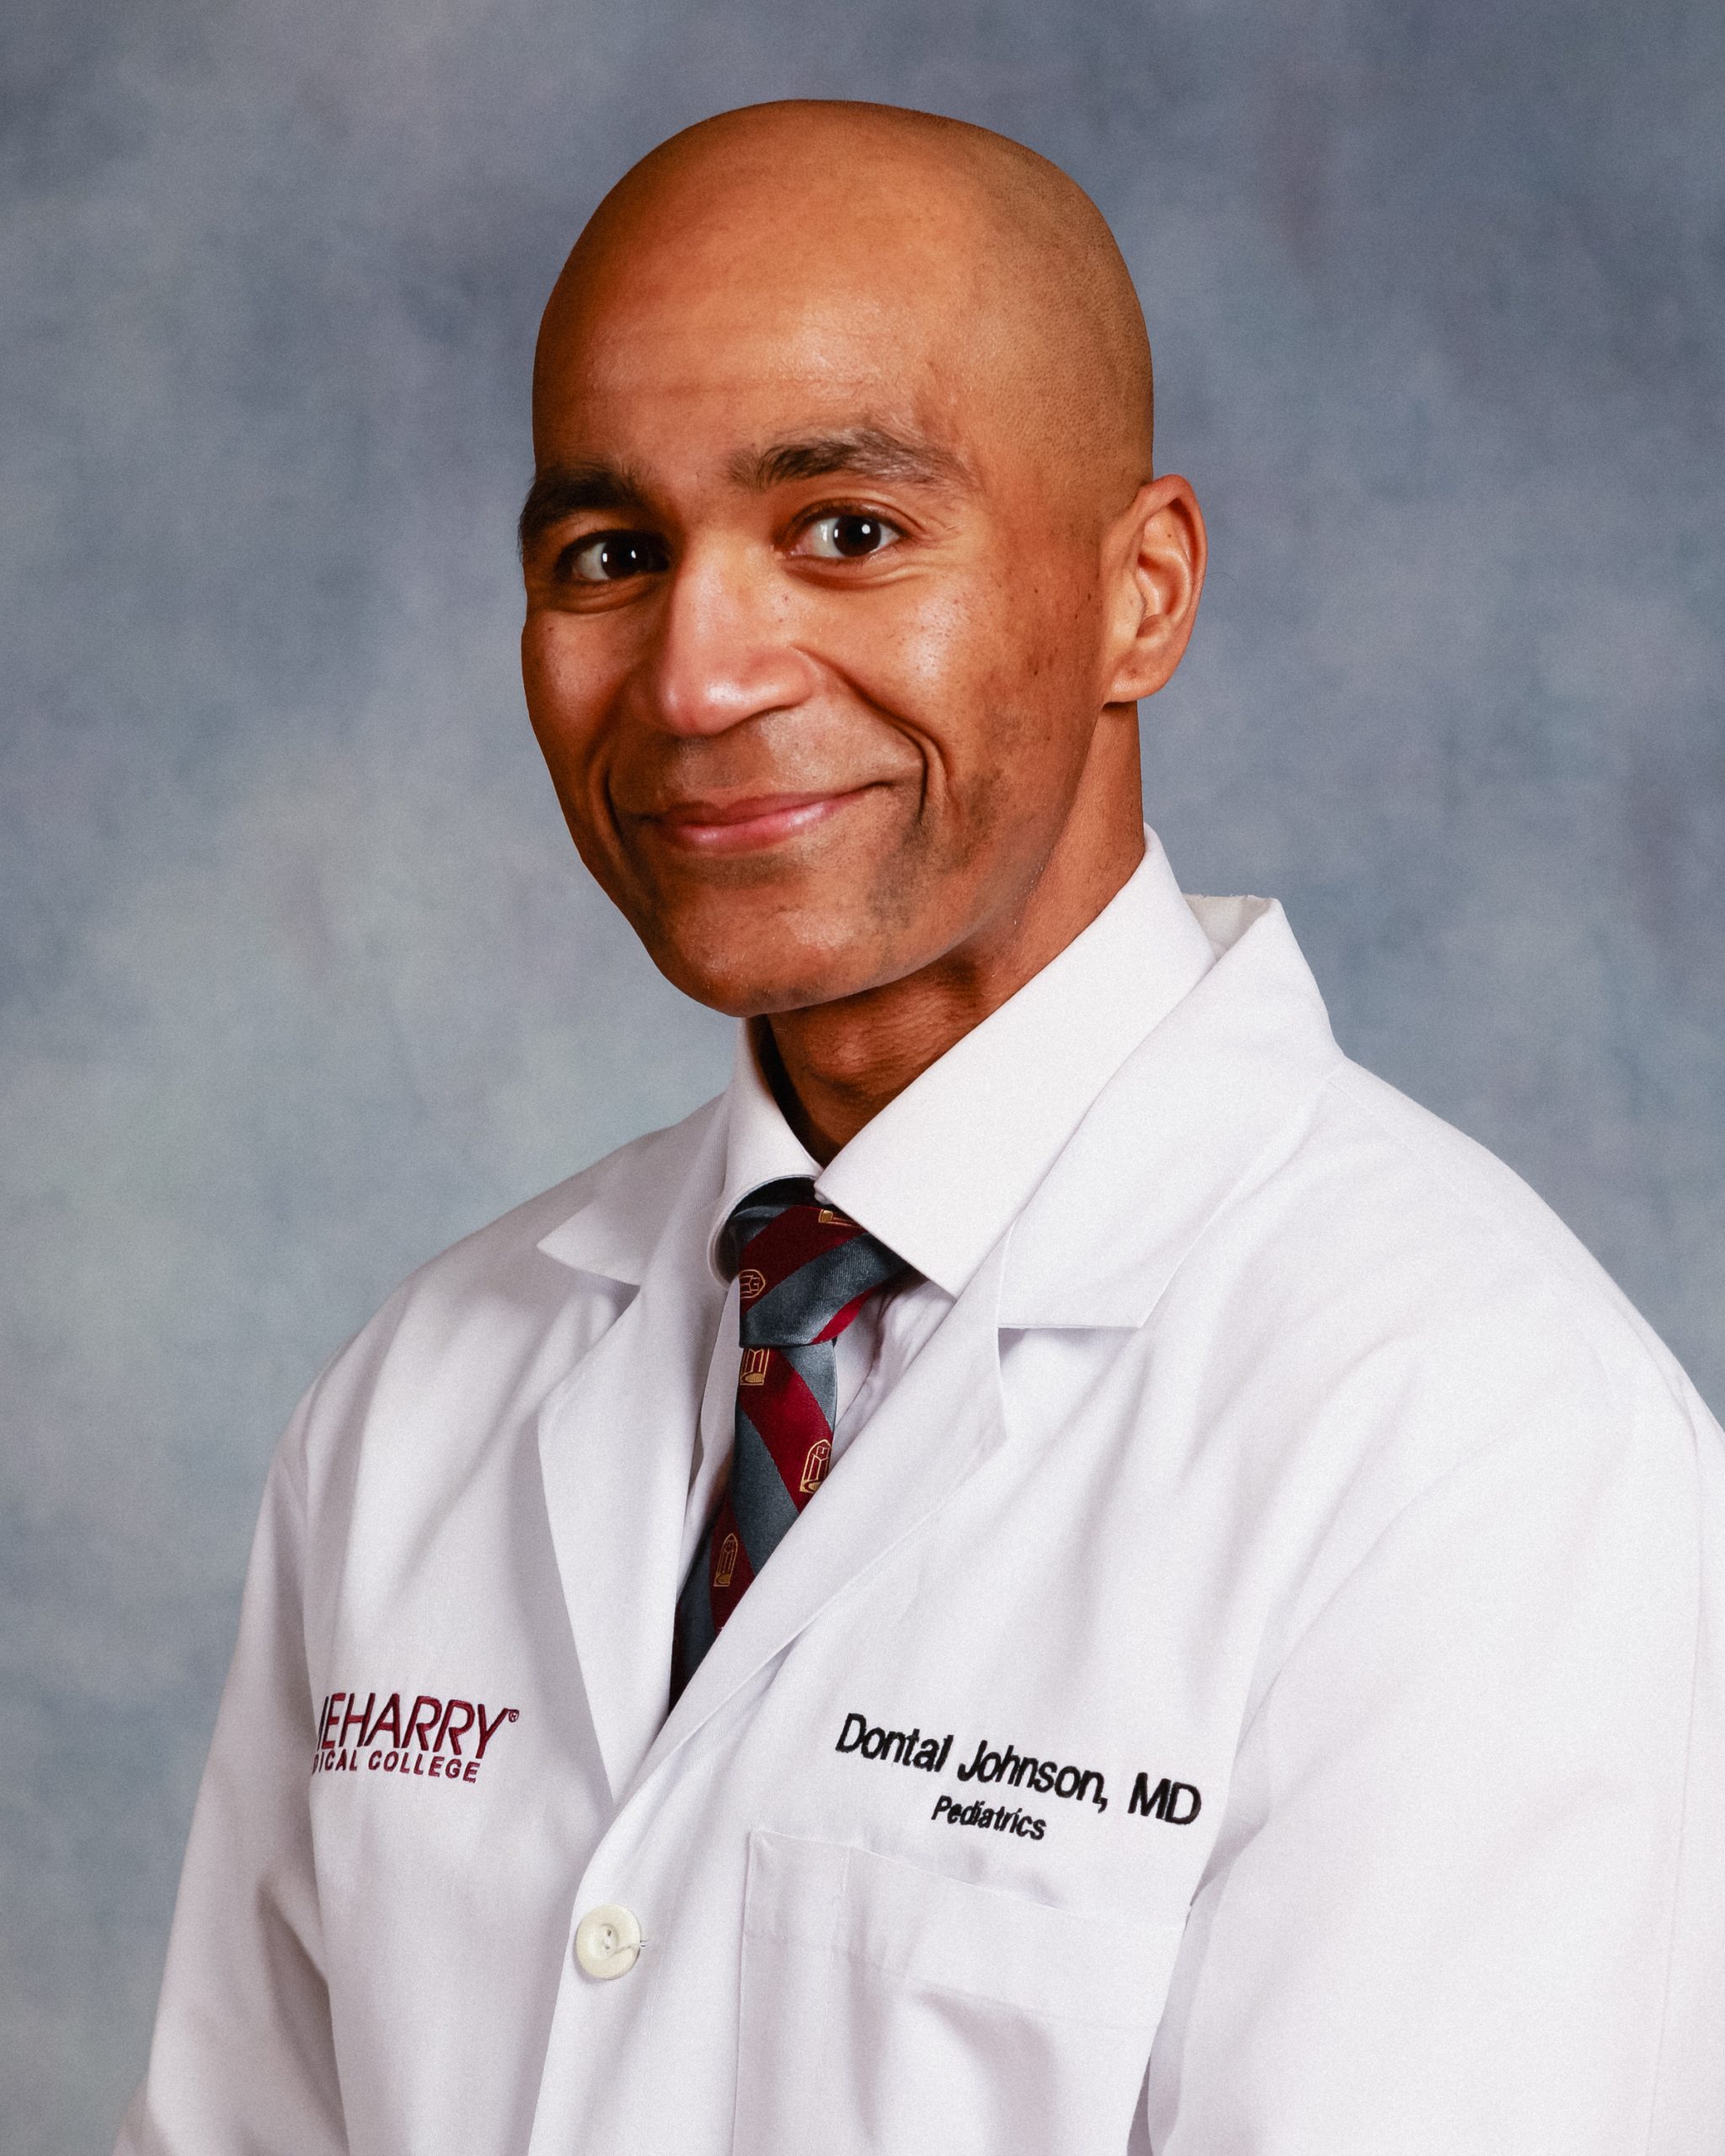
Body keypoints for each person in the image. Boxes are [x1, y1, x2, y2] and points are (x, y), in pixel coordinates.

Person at [119, 101, 1724, 2155]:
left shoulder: (1467, 1443)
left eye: (846, 531)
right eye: (608, 555)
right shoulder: (423, 1393)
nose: (695, 676)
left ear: (1140, 594)